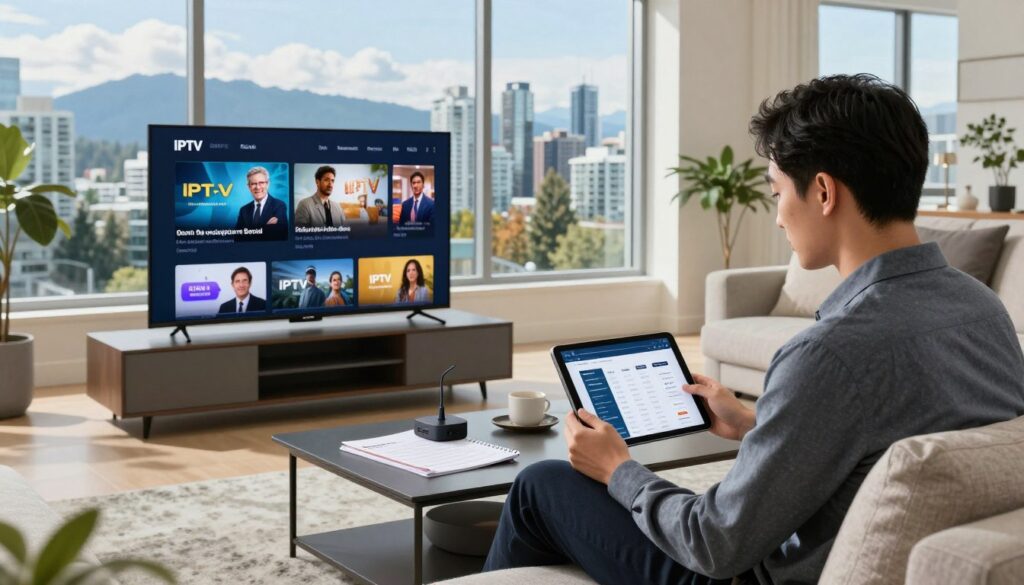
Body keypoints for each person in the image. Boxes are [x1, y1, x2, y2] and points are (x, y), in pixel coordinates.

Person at [482, 74, 1024, 584]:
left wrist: (618, 468)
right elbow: (887, 428)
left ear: (824, 193)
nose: (778, 216)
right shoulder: (983, 308)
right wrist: (755, 422)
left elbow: (714, 543)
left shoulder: (829, 353)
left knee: (540, 485)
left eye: (776, 193)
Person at [235, 166, 287, 238]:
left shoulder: (279, 206)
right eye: (253, 184)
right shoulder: (243, 210)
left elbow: (280, 235)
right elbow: (238, 238)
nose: (258, 187)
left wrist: (249, 234)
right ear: (248, 187)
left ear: (268, 184)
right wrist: (266, 228)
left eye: (261, 183)